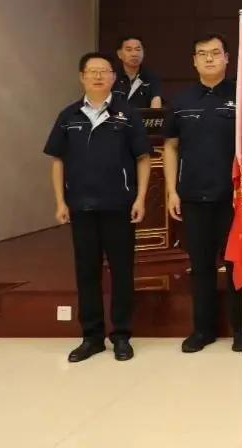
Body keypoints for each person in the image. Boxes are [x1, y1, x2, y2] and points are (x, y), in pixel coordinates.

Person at [43, 52, 151, 363]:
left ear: (114, 77)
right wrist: (60, 201)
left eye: (104, 71)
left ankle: (121, 335)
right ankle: (91, 337)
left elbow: (143, 158)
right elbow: (57, 160)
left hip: (120, 206)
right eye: (92, 71)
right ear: (82, 77)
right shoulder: (69, 115)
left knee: (122, 272)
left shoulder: (127, 114)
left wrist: (140, 198)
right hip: (81, 206)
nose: (99, 76)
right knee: (86, 272)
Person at [163, 34, 242, 353]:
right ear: (194, 60)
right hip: (192, 196)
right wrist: (172, 190)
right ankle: (203, 330)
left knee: (238, 265)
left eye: (216, 53)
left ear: (228, 57)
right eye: (202, 54)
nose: (210, 59)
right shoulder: (181, 100)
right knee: (200, 266)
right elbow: (171, 147)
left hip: (233, 198)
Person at [112, 36, 164, 109]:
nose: (134, 54)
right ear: (119, 54)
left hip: (142, 116)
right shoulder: (111, 76)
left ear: (143, 53)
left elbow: (156, 104)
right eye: (129, 50)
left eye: (138, 49)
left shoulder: (152, 77)